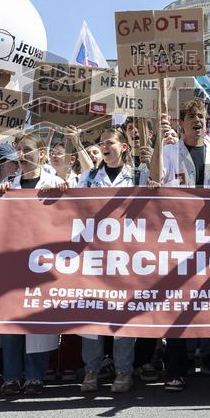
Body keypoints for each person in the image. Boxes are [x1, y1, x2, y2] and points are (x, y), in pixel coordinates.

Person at [151, 94, 210, 393]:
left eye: (202, 118)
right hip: (178, 239)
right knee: (177, 304)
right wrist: (156, 145)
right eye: (192, 119)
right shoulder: (169, 152)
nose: (198, 123)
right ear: (182, 123)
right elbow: (155, 181)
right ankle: (176, 371)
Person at [0, 133, 66, 396]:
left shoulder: (55, 182)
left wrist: (62, 194)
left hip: (42, 263)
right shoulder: (8, 185)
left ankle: (35, 376)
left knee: (36, 321)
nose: (23, 156)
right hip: (12, 262)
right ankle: (11, 376)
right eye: (19, 151)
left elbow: (70, 217)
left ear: (42, 154)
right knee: (12, 321)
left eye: (28, 150)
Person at [76, 127, 143, 393]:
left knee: (122, 316)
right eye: (101, 143)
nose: (104, 147)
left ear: (123, 147)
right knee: (91, 314)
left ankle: (123, 372)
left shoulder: (138, 175)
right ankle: (91, 369)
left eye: (110, 143)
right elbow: (71, 207)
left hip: (128, 256)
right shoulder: (89, 176)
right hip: (94, 255)